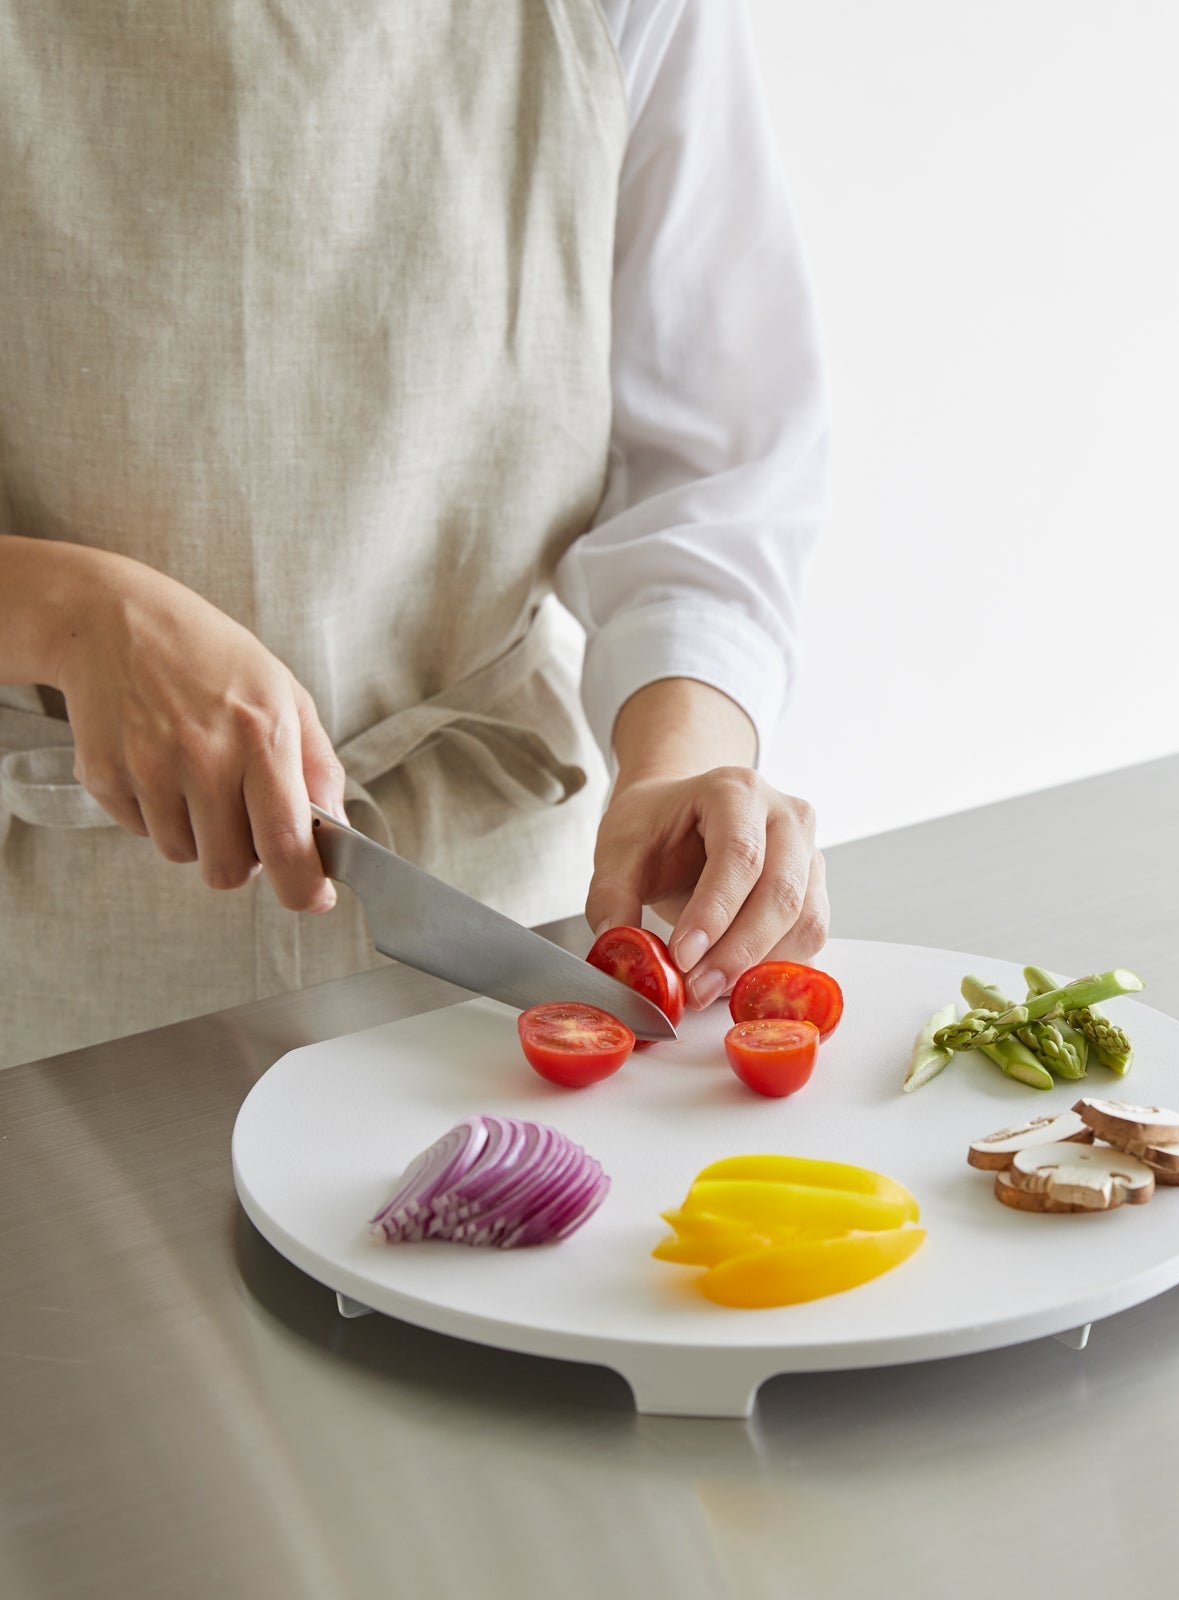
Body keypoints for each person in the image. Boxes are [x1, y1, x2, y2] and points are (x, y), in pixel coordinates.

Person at [0, 0, 828, 1069]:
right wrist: (71, 616)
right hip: (54, 965)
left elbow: (712, 464)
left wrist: (680, 761)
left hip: (492, 931)